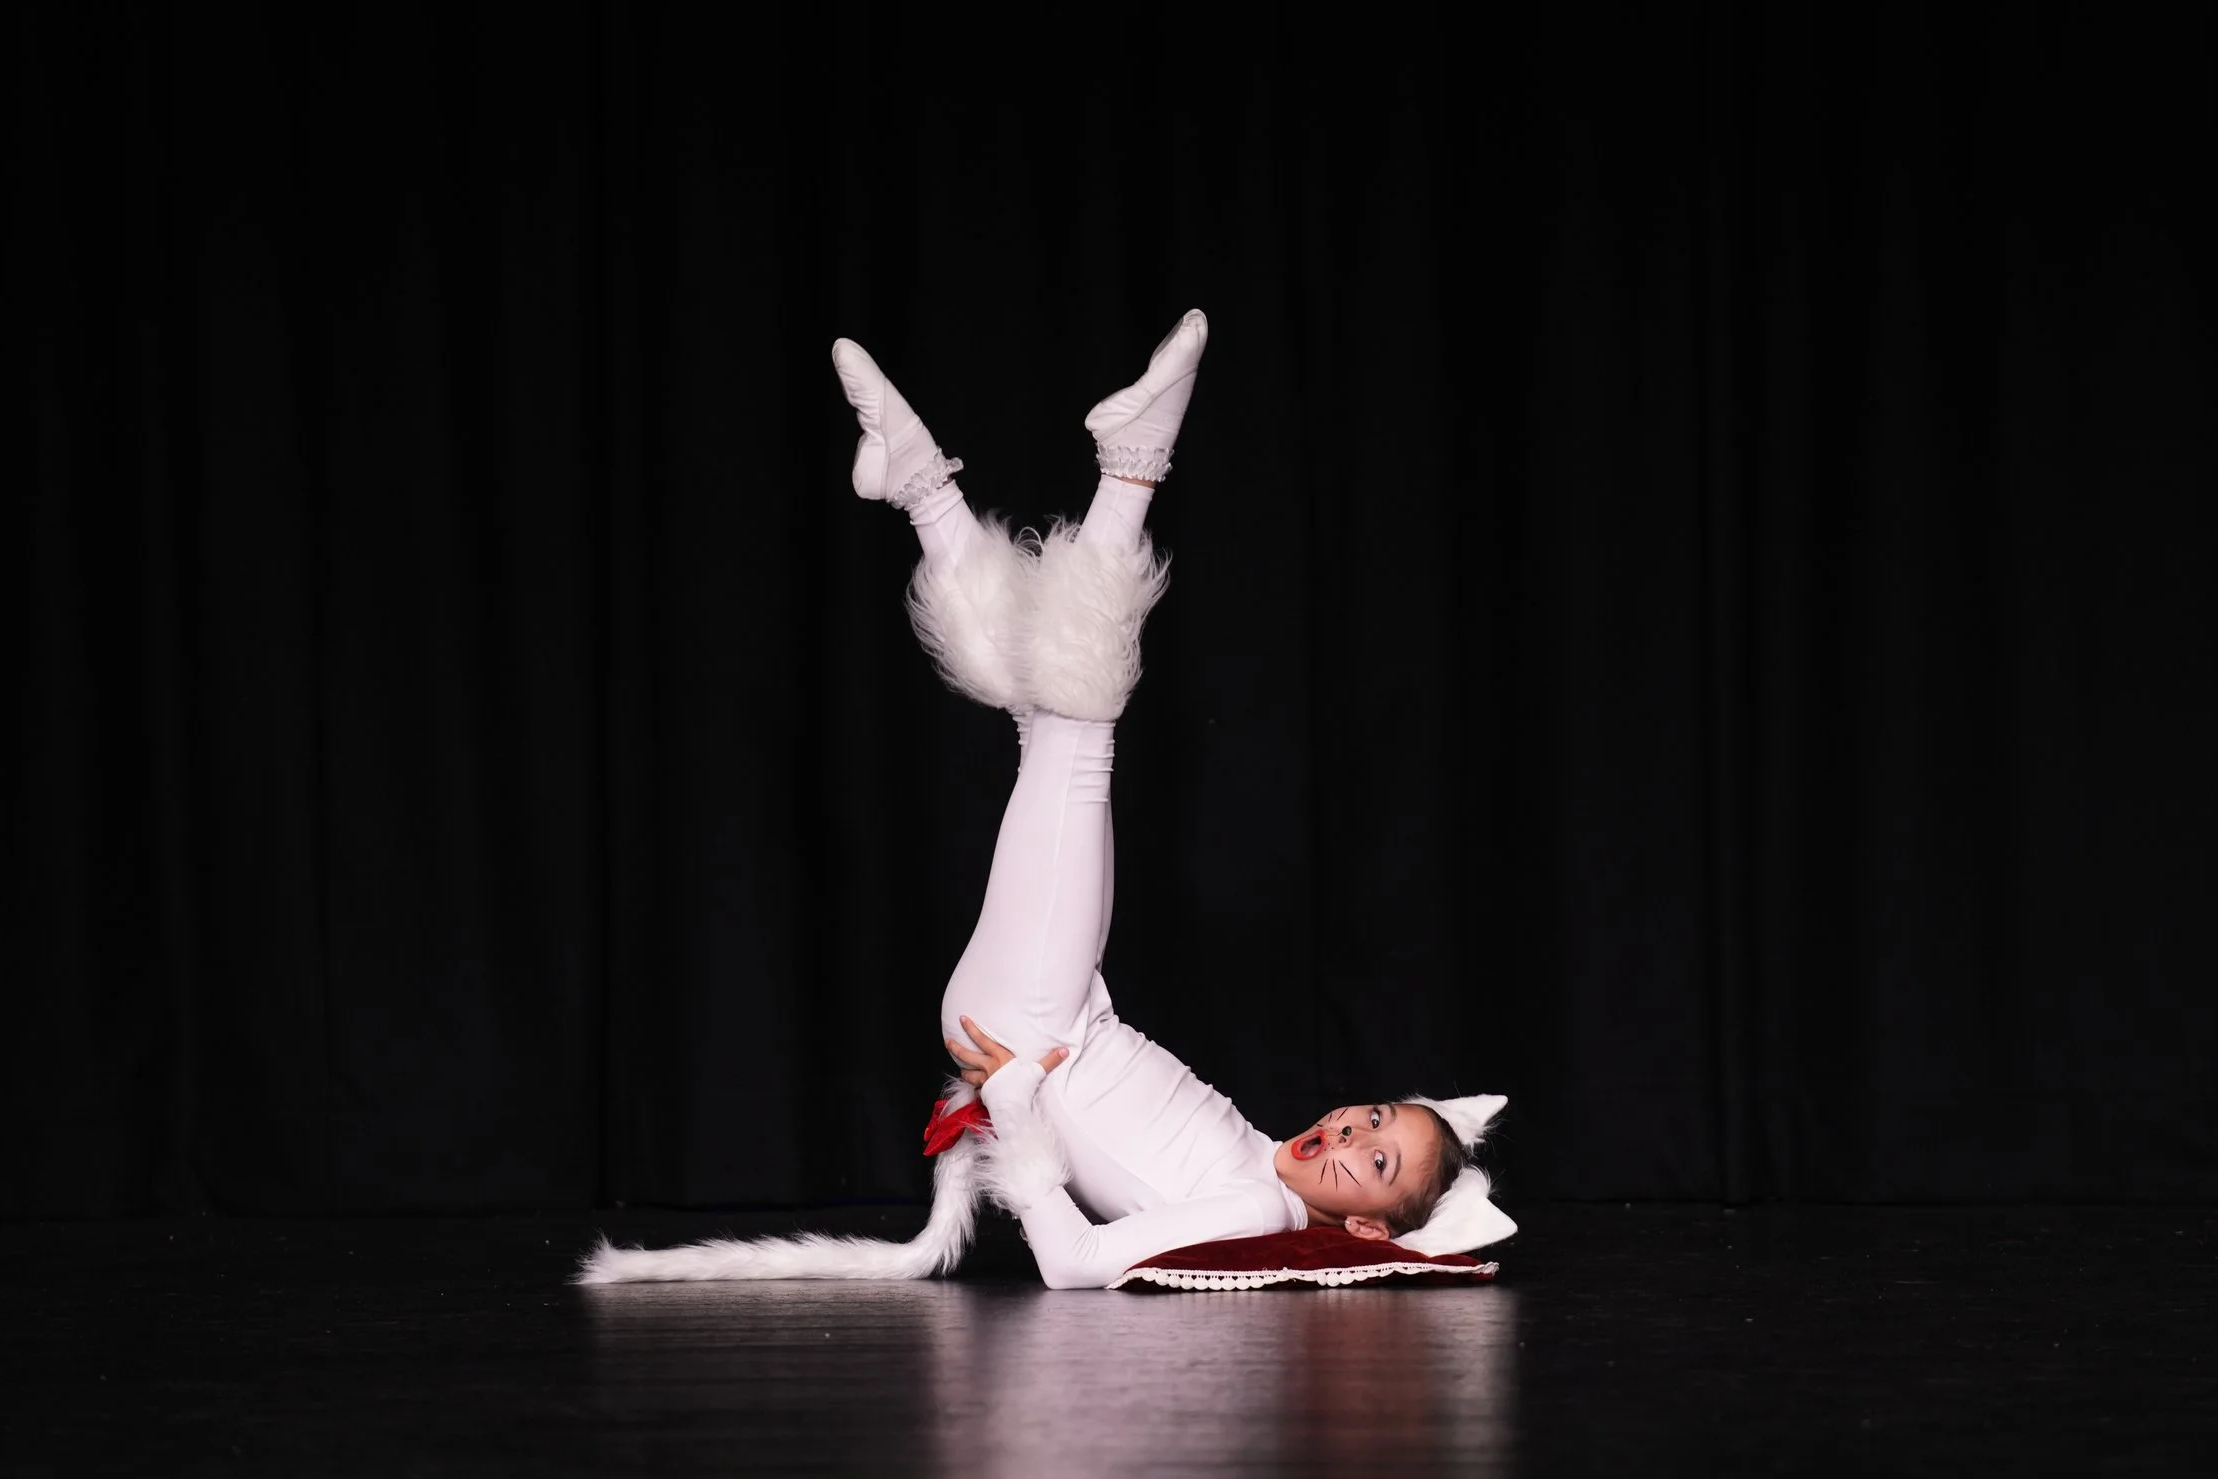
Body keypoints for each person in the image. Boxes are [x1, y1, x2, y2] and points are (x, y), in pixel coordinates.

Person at [579, 312, 1514, 1289]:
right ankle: (925, 487)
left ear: (1369, 1232)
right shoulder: (1255, 1153)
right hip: (1057, 1006)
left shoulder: (1251, 1204)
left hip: (1028, 1029)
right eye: (1372, 1118)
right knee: (1051, 730)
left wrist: (1017, 1113)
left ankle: (1130, 470)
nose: (1350, 1132)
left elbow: (1075, 1266)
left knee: (1078, 740)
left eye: (1374, 1161)